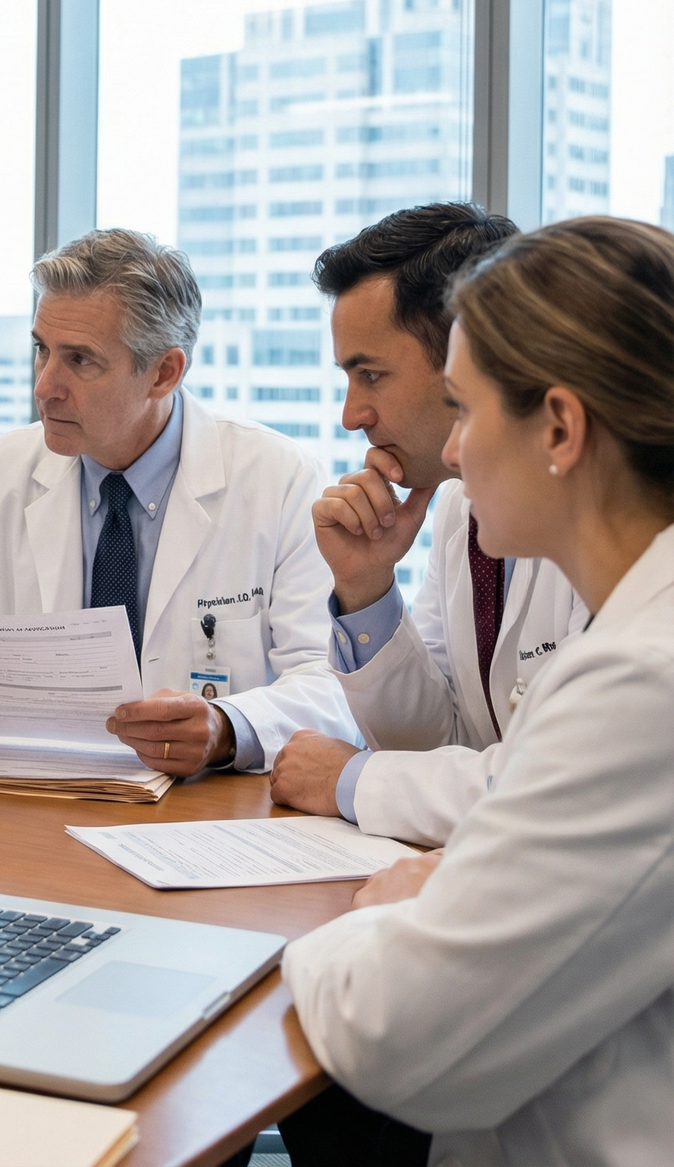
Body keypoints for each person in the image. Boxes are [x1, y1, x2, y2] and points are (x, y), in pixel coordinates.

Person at [283, 215, 674, 1165]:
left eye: (466, 408)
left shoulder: (644, 679)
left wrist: (385, 910)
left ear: (559, 427)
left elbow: (394, 1032)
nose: (455, 454)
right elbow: (461, 738)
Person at [0, 228, 357, 777]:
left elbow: (331, 681)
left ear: (164, 372)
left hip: (207, 819)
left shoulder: (279, 479)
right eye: (42, 350)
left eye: (80, 360)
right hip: (36, 798)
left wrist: (227, 726)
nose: (45, 386)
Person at [270, 204, 585, 847]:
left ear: (470, 354)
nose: (352, 414)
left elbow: (565, 790)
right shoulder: (458, 507)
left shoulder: (612, 528)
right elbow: (439, 743)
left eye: (371, 374)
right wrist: (366, 589)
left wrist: (351, 781)